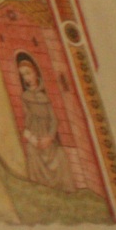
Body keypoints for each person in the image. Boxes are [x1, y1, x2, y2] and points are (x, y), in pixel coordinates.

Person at [16, 53, 72, 191]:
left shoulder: (47, 95)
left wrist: (49, 138)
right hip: (35, 135)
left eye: (28, 73)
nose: (26, 78)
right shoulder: (25, 96)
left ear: (36, 71)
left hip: (48, 135)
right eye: (23, 75)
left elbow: (54, 119)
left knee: (60, 156)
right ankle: (40, 189)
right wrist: (32, 138)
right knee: (32, 152)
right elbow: (27, 120)